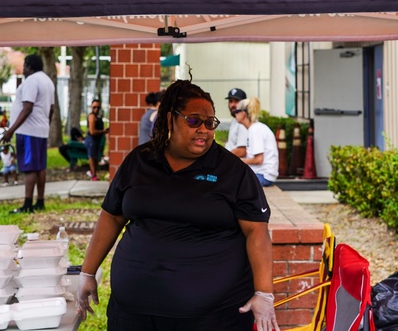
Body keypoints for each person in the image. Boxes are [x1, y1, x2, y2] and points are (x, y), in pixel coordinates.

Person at [75, 79, 279, 331]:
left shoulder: (233, 172)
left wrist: (264, 293)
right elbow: (111, 216)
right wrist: (87, 273)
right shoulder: (139, 161)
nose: (204, 129)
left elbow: (256, 232)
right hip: (133, 315)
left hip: (212, 319)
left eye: (210, 123)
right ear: (170, 119)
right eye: (194, 121)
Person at [0, 54, 55, 213]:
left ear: (29, 66)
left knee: (30, 167)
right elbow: (51, 108)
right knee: (40, 168)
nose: (23, 69)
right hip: (41, 130)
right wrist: (46, 124)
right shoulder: (47, 81)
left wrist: (11, 131)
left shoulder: (31, 81)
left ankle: (27, 204)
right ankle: (40, 201)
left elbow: (27, 108)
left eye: (24, 66)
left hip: (28, 131)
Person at [233, 97, 279, 187]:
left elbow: (258, 160)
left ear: (243, 114)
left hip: (263, 176)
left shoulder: (255, 130)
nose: (235, 114)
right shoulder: (255, 128)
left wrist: (238, 161)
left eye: (236, 111)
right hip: (261, 174)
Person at [85, 99, 109, 181]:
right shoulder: (92, 116)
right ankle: (93, 174)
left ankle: (94, 172)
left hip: (97, 139)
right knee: (92, 156)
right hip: (92, 139)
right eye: (94, 107)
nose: (96, 109)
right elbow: (92, 131)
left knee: (95, 156)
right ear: (91, 107)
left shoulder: (98, 116)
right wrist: (103, 131)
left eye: (98, 107)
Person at [224, 87, 248, 157]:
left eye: (236, 101)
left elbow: (242, 151)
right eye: (231, 101)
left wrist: (222, 160)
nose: (232, 105)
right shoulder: (235, 120)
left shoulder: (244, 122)